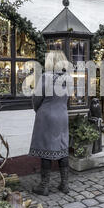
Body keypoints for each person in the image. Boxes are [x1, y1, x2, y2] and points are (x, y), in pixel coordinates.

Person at [29, 50, 71, 196]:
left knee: (46, 149)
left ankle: (44, 185)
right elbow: (68, 99)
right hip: (63, 115)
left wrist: (39, 110)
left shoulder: (46, 77)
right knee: (62, 147)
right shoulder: (68, 78)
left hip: (47, 115)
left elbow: (36, 99)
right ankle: (64, 184)